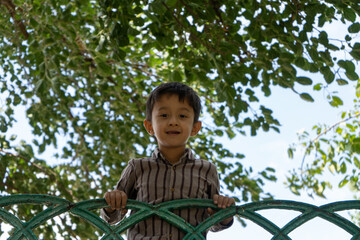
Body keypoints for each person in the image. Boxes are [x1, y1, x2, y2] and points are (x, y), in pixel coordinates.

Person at [101, 82, 235, 239]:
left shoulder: (206, 170)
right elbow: (112, 218)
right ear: (149, 126)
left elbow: (213, 221)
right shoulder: (137, 167)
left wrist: (225, 215)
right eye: (164, 115)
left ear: (195, 128)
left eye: (182, 116)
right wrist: (112, 203)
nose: (173, 121)